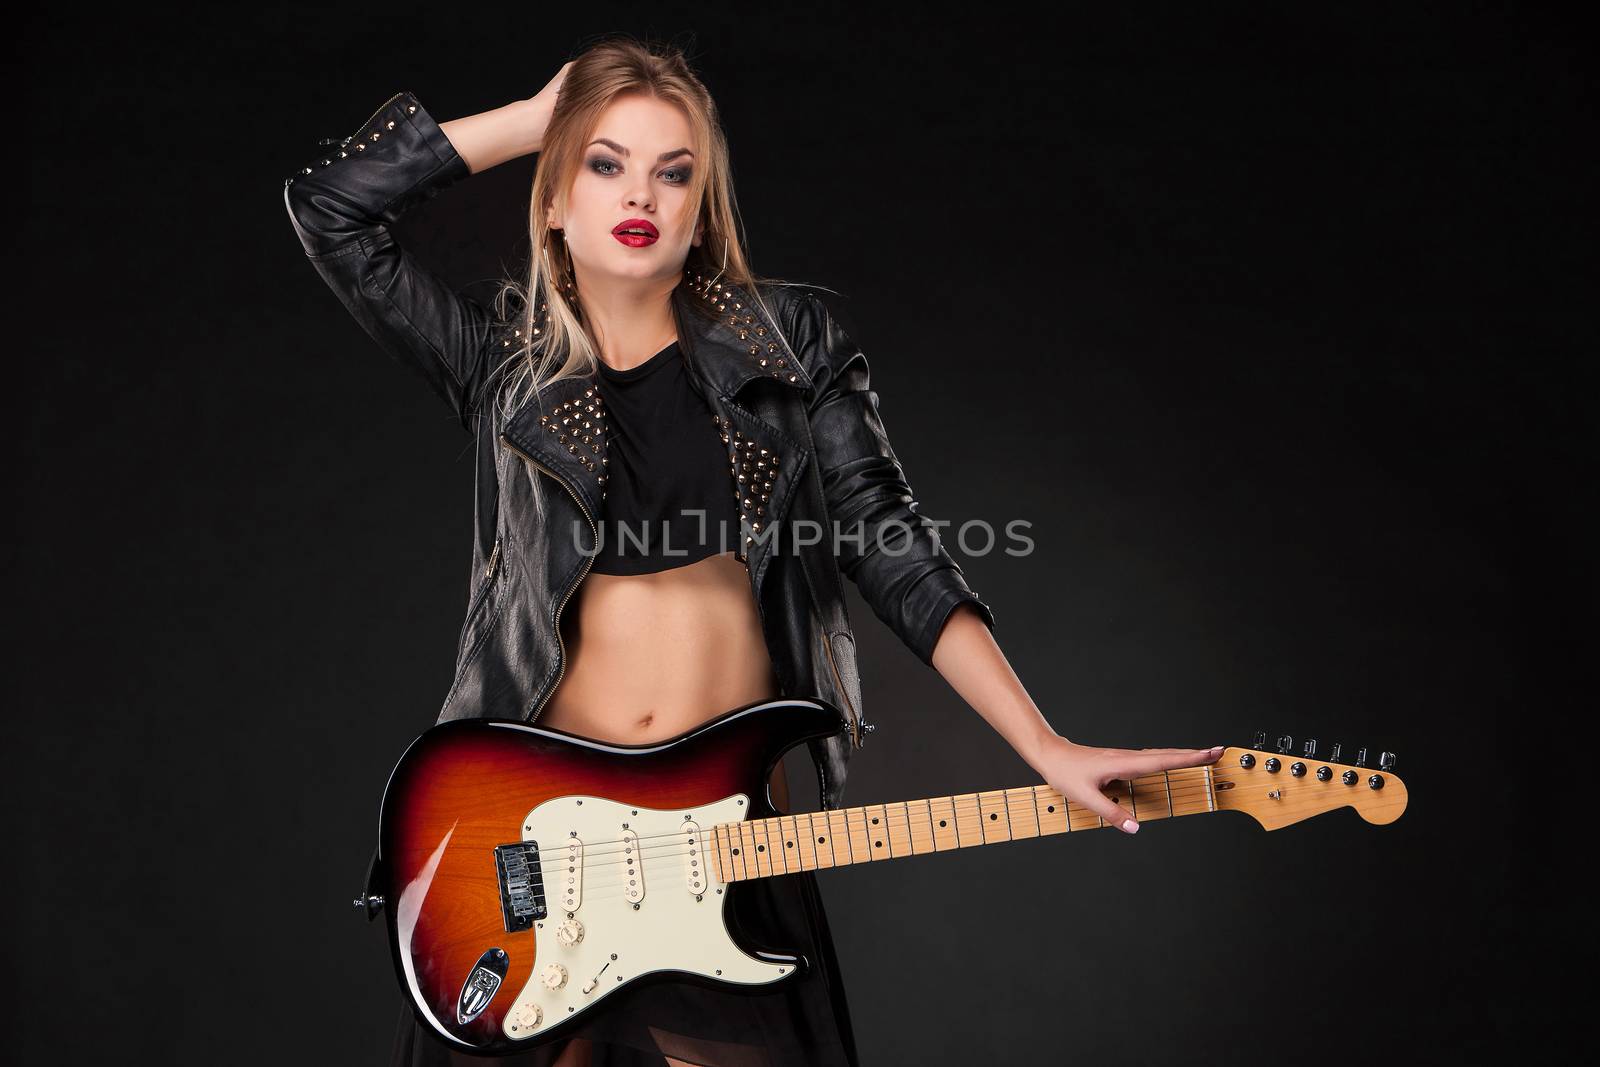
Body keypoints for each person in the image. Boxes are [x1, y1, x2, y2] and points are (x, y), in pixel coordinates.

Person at [283, 35, 1223, 1067]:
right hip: (529, 862)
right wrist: (531, 120)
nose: (640, 190)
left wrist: (1043, 745)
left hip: (720, 850)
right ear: (555, 197)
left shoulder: (792, 341)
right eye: (604, 163)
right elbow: (333, 208)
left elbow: (885, 538)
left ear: (700, 209)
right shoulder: (500, 371)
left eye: (671, 171)